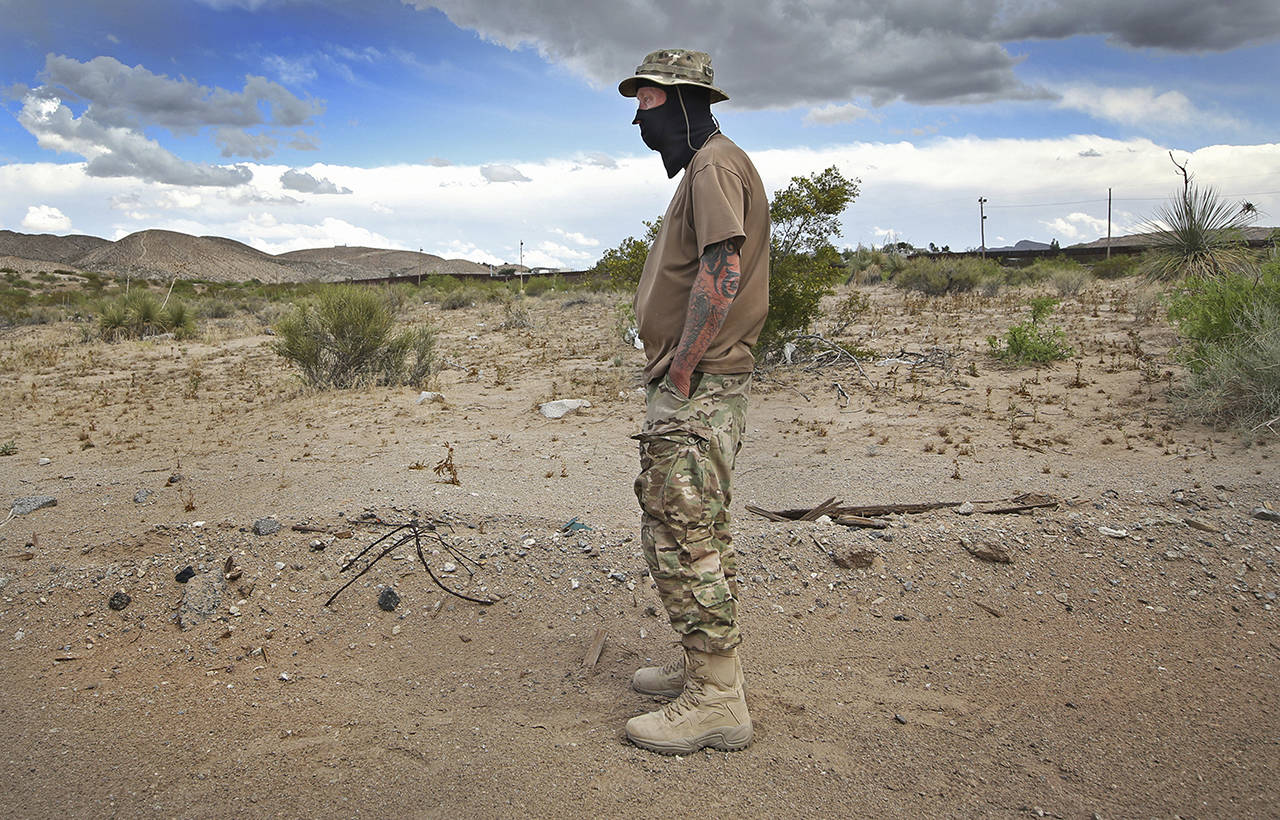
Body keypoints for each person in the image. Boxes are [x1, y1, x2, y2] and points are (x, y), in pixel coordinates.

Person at [617, 49, 770, 755]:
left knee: (683, 530)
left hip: (700, 384)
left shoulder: (712, 165)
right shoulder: (711, 165)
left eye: (646, 101)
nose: (638, 116)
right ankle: (703, 669)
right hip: (702, 379)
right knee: (694, 525)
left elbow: (722, 268)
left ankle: (717, 699)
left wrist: (681, 371)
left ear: (682, 101)